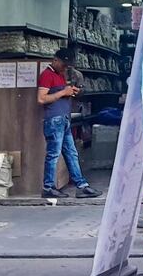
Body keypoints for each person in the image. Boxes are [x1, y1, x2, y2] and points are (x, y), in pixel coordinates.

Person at [37, 48, 102, 199]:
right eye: (63, 64)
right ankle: (48, 187)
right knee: (53, 154)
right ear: (55, 60)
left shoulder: (60, 75)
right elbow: (41, 99)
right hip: (54, 119)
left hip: (63, 119)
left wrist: (71, 92)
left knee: (71, 153)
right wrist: (63, 93)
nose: (65, 68)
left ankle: (81, 186)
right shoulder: (47, 75)